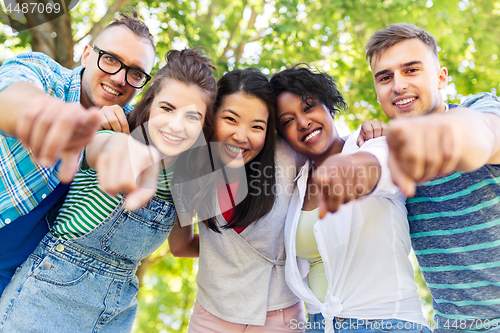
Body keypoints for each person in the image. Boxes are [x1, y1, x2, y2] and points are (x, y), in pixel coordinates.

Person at [0, 48, 217, 333]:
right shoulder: (113, 135)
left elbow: (181, 246)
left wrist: (239, 248)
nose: (176, 125)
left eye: (193, 117)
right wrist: (122, 150)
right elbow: (99, 149)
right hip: (48, 290)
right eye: (167, 109)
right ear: (149, 106)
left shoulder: (185, 181)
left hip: (117, 305)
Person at [0, 11, 156, 293]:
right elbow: (10, 98)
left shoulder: (132, 127)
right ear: (86, 54)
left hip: (19, 293)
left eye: (135, 73)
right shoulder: (43, 74)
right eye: (110, 58)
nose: (120, 78)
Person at [360, 23, 500, 331]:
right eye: (385, 77)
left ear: (440, 78)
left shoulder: (481, 108)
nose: (398, 85)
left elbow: (486, 134)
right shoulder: (389, 151)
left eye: (411, 70)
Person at [269, 66, 430, 333]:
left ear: (330, 108)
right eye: (287, 121)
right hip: (320, 324)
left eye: (309, 107)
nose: (302, 122)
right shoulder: (295, 185)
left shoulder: (372, 144)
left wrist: (350, 169)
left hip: (387, 324)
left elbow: (378, 168)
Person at [168, 68, 307, 332]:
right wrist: (221, 253)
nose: (242, 136)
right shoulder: (190, 165)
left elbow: (338, 151)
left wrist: (370, 133)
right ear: (212, 116)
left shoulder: (290, 157)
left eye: (257, 126)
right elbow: (179, 246)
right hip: (211, 314)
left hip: (280, 313)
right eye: (231, 119)